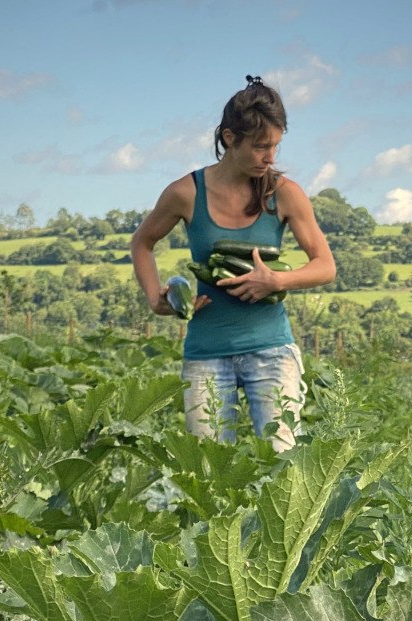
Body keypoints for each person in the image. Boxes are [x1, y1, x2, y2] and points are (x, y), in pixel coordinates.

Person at [130, 75, 335, 451]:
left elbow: (325, 265)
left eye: (275, 146)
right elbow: (142, 242)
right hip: (206, 353)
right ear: (229, 138)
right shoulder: (185, 193)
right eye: (260, 147)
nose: (270, 157)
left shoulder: (285, 194)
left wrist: (276, 281)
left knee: (282, 469)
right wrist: (153, 295)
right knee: (207, 474)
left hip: (272, 352)